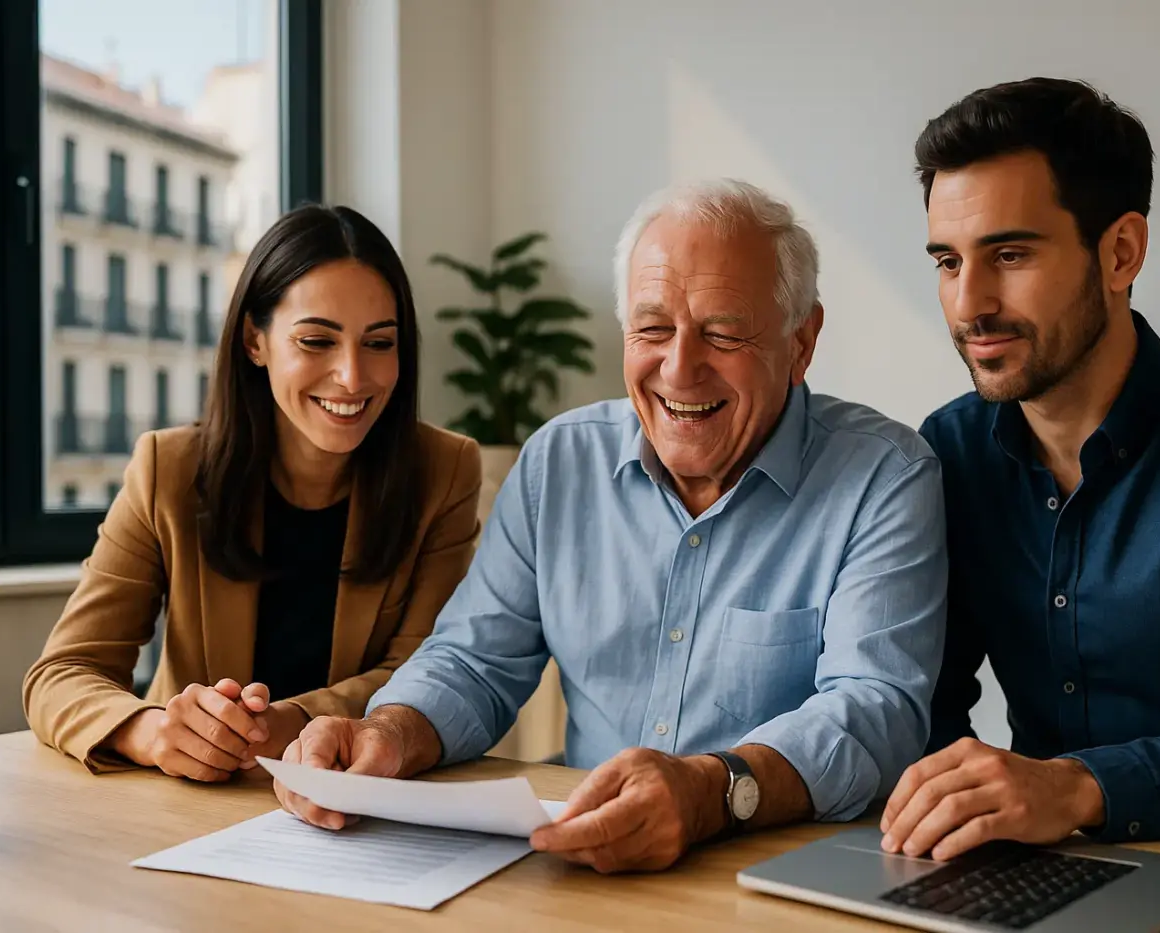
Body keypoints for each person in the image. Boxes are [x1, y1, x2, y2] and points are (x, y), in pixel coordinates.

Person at [271, 179, 948, 873]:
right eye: (653, 329)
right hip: (585, 863)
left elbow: (873, 710)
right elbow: (475, 659)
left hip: (788, 874)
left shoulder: (885, 477)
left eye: (722, 332)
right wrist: (387, 730)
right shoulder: (559, 460)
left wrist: (710, 791)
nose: (680, 368)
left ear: (801, 342)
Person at [880, 77, 1160, 863]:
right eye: (948, 261)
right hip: (1026, 867)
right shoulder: (949, 449)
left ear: (1120, 252)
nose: (969, 303)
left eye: (1010, 254)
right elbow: (924, 699)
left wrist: (1075, 787)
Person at [23, 204, 482, 781]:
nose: (353, 376)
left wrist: (290, 721)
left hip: (355, 795)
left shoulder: (444, 469)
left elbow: (426, 670)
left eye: (379, 343)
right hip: (191, 800)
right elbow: (62, 673)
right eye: (317, 341)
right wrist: (152, 730)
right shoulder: (169, 468)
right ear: (254, 341)